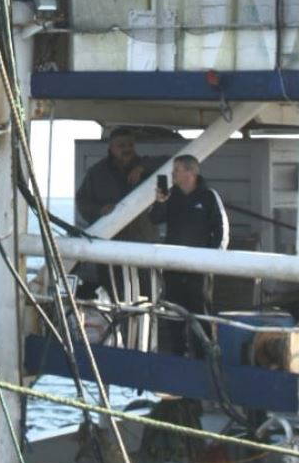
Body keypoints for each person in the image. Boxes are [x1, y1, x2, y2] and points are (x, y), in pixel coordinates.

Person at [150, 153, 228, 349]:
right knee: (174, 313)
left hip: (199, 268)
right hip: (173, 267)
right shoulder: (171, 195)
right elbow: (154, 219)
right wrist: (160, 201)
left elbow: (221, 230)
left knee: (201, 314)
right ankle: (178, 355)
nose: (172, 175)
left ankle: (205, 354)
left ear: (190, 172)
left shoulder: (209, 196)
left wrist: (211, 258)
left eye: (176, 170)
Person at [74, 129, 158, 297]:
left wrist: (142, 168)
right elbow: (82, 201)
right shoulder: (97, 173)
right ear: (111, 148)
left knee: (147, 293)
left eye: (130, 145)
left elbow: (174, 161)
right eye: (121, 145)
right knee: (112, 293)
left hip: (141, 242)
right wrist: (100, 210)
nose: (127, 149)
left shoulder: (148, 167)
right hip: (109, 242)